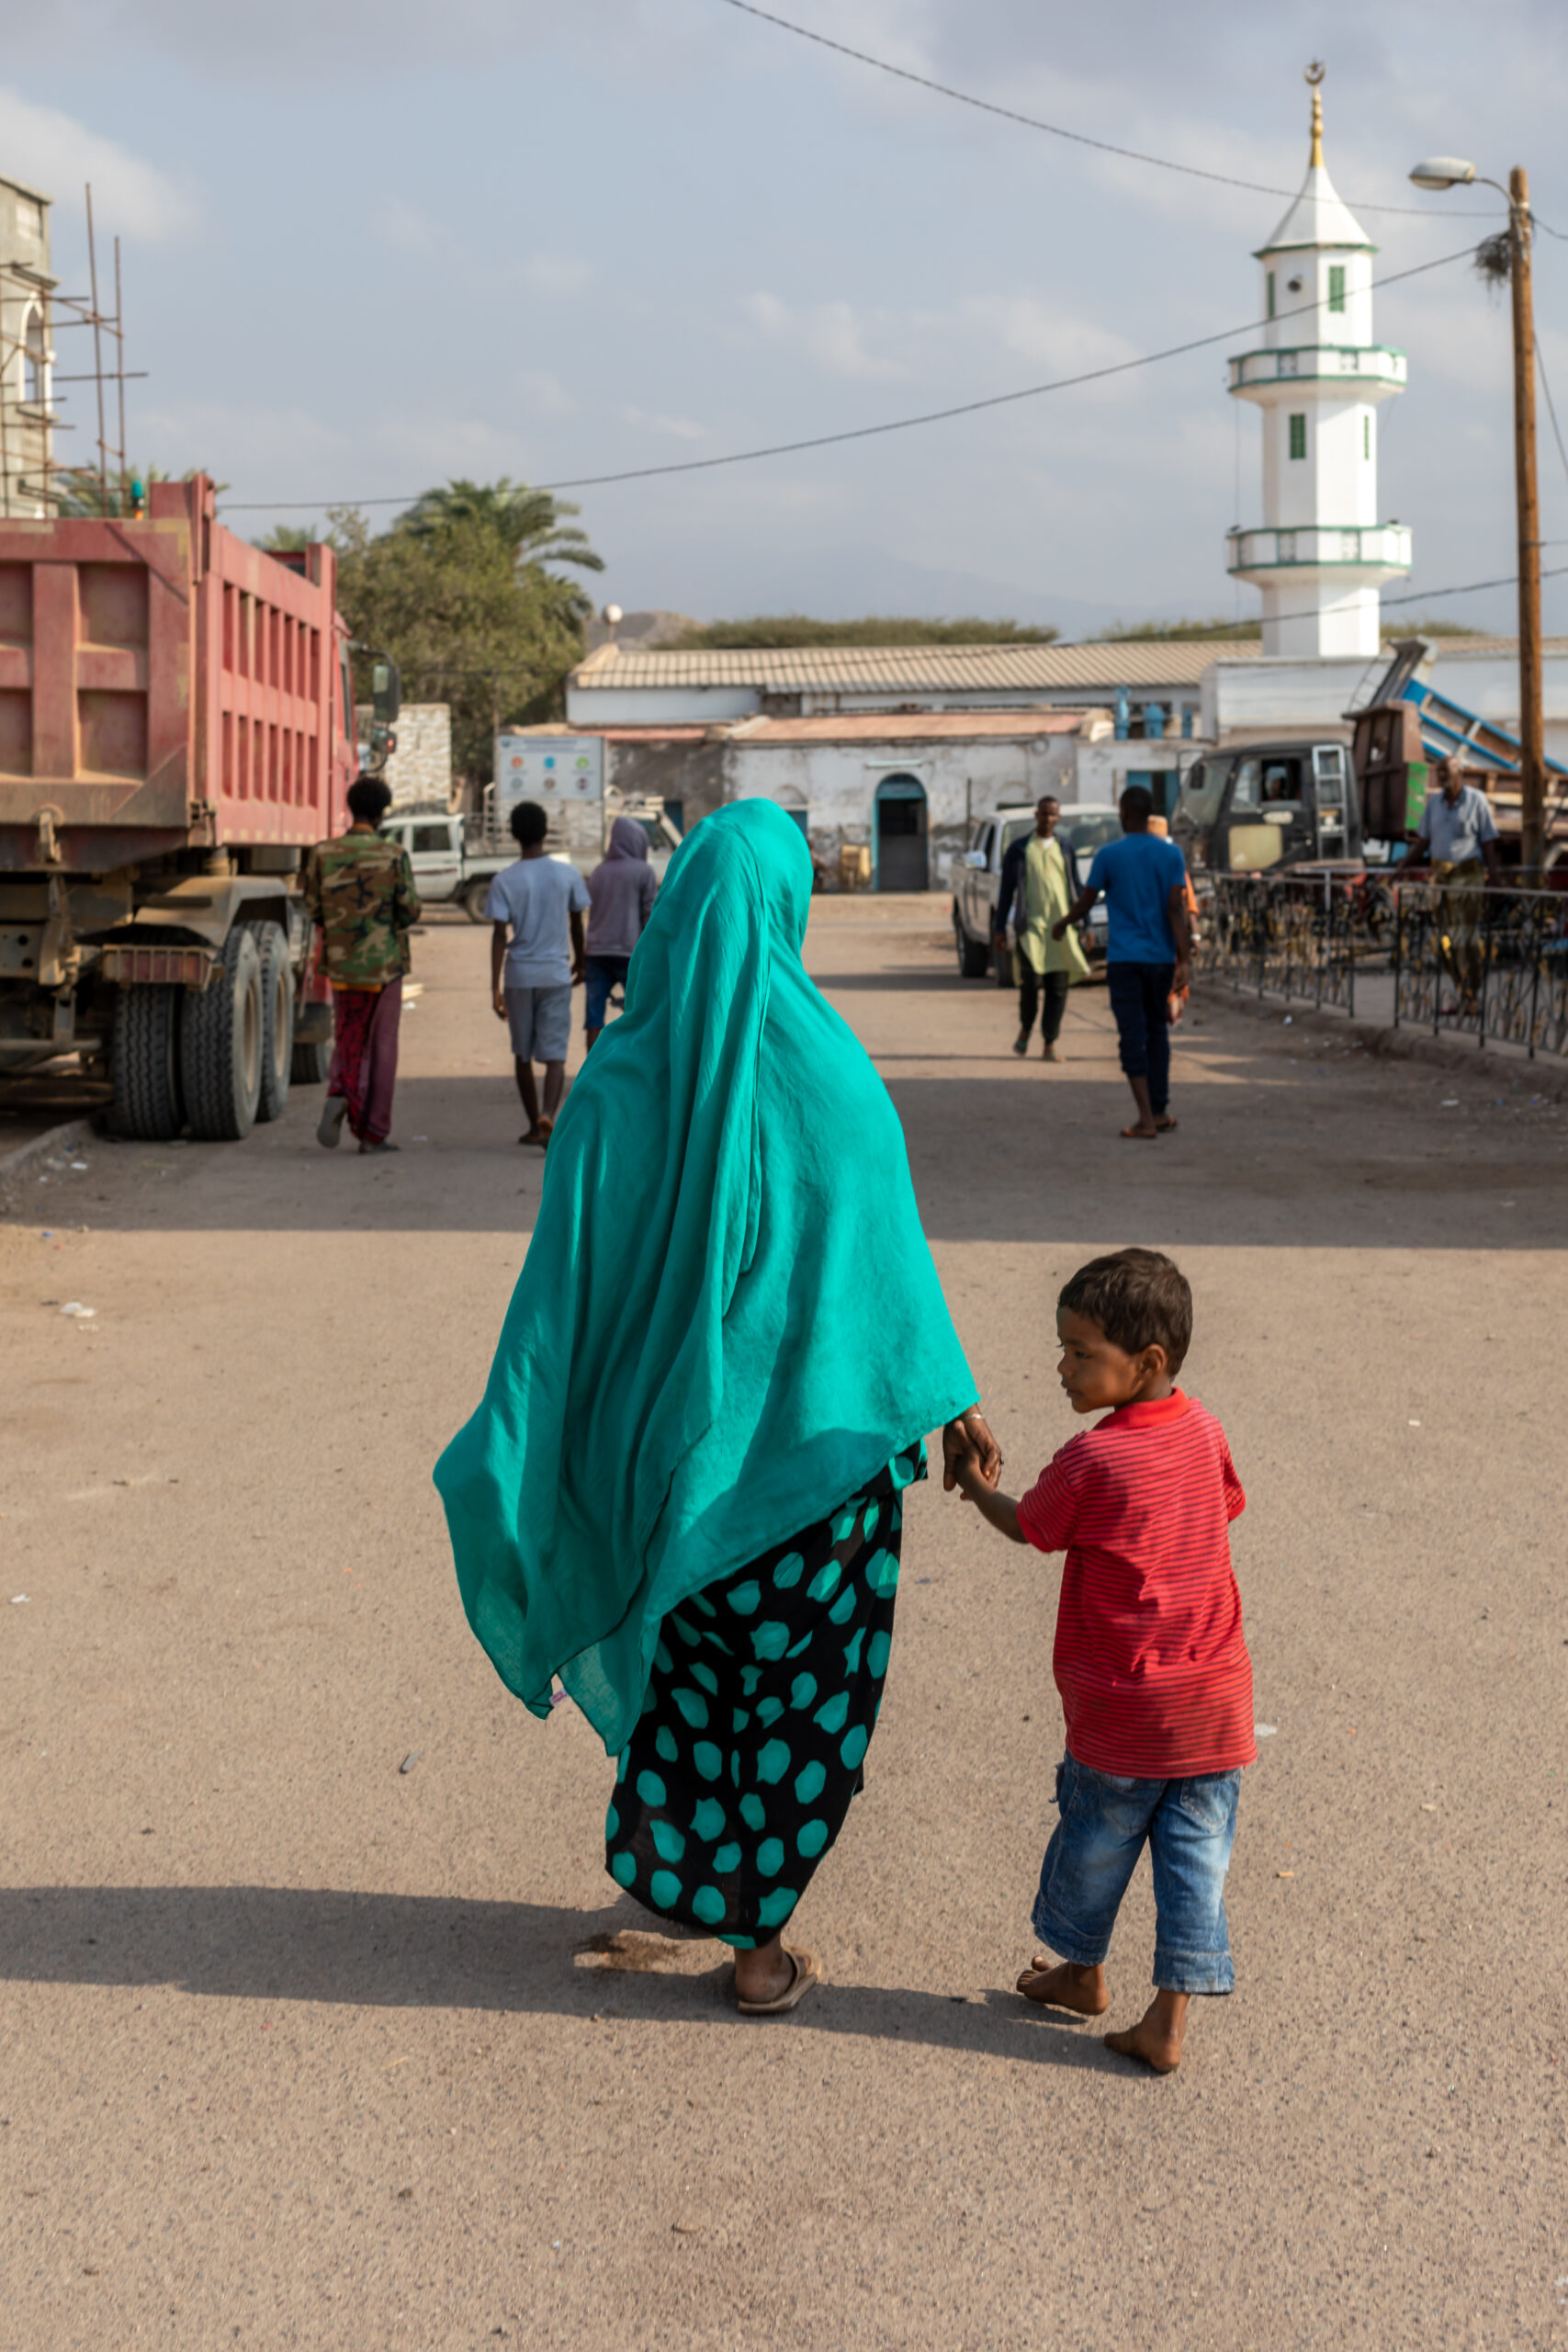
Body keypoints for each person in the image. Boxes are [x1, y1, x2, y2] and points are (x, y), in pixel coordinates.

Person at [436, 800, 1002, 2016]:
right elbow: (887, 1280)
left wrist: (535, 1443)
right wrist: (952, 1408)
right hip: (820, 1482)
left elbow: (561, 1308)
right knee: (795, 1706)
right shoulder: (835, 1081)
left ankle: (694, 1883)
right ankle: (759, 1943)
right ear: (786, 910)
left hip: (670, 1483)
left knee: (694, 1695)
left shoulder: (608, 1093)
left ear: (681, 903)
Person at [947, 1248, 1253, 2075]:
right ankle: (1167, 2020)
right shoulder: (1205, 1428)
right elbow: (1221, 1506)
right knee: (1195, 1861)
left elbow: (1031, 1528)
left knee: (1096, 1838)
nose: (1061, 1366)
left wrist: (975, 1487)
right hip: (1213, 1705)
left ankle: (1082, 1973)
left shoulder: (1092, 1460)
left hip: (1121, 1709)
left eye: (1081, 1352)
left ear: (1146, 1362)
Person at [1055, 784, 1190, 1139]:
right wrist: (1185, 958)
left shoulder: (1109, 856)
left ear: (1124, 814)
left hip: (1125, 960)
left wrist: (1063, 923)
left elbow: (1085, 902)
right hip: (1161, 959)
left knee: (1132, 1035)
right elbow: (1176, 908)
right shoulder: (1171, 855)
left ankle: (1145, 1119)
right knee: (1157, 1032)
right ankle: (1159, 1111)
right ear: (1149, 815)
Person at [304, 773, 421, 1156]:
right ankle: (373, 1133)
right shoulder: (393, 856)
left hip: (340, 966)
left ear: (352, 809)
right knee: (382, 1047)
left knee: (349, 1037)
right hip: (383, 966)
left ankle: (340, 1092)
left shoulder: (323, 853)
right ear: (382, 814)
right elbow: (410, 912)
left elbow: (313, 909)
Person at [487, 800, 590, 1147]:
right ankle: (549, 1112)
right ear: (545, 832)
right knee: (555, 1053)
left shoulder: (505, 880)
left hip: (519, 976)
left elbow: (500, 935)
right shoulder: (567, 874)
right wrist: (581, 961)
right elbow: (577, 923)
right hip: (555, 974)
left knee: (523, 1053)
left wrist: (494, 987)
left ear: (514, 834)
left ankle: (534, 1125)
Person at [994, 796, 1089, 1062]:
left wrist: (1085, 924)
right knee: (1030, 985)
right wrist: (999, 928)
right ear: (1036, 815)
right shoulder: (1020, 849)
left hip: (1061, 930)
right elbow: (1006, 892)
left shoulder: (1066, 848)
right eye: (1044, 814)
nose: (1048, 819)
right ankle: (1026, 1028)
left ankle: (1050, 1043)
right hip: (1031, 929)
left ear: (1059, 818)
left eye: (1053, 814)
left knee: (1058, 989)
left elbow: (1077, 888)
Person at [1403, 756, 1501, 1007]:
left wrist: (1495, 880)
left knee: (1466, 939)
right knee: (1444, 941)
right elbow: (1423, 841)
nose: (1442, 776)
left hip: (1468, 878)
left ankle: (1472, 994)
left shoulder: (1476, 801)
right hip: (1442, 880)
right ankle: (1462, 991)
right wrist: (1403, 865)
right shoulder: (1433, 803)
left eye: (1446, 771)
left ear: (1459, 773)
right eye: (1440, 772)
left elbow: (1488, 843)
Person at [584, 814, 658, 1051]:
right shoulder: (644, 871)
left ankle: (590, 1074)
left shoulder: (598, 871)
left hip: (596, 952)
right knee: (638, 1015)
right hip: (630, 953)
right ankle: (632, 1072)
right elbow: (649, 916)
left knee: (594, 1017)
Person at [1147, 815, 1201, 1026]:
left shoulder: (1174, 865)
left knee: (1172, 987)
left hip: (1170, 939)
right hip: (1151, 941)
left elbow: (1189, 905)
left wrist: (1194, 935)